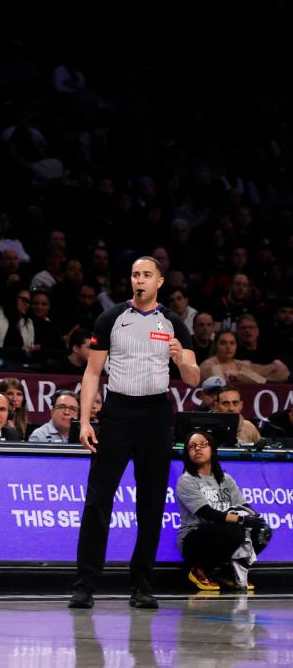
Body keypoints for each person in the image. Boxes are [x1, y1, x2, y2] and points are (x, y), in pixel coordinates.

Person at [70, 256, 200, 610]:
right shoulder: (112, 317)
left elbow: (193, 378)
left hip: (156, 415)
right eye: (134, 275)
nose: (139, 280)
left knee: (151, 503)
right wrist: (85, 422)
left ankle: (142, 584)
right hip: (117, 413)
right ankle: (85, 583)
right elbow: (92, 374)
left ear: (159, 281)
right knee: (98, 500)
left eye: (146, 275)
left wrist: (182, 360)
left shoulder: (173, 323)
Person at [176, 430, 270, 592]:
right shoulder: (187, 480)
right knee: (234, 531)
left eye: (202, 444)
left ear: (212, 448)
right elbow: (208, 514)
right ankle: (200, 569)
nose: (197, 449)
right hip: (194, 537)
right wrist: (241, 520)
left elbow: (243, 505)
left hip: (224, 530)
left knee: (262, 531)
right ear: (187, 453)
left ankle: (227, 573)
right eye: (192, 447)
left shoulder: (226, 479)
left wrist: (255, 518)